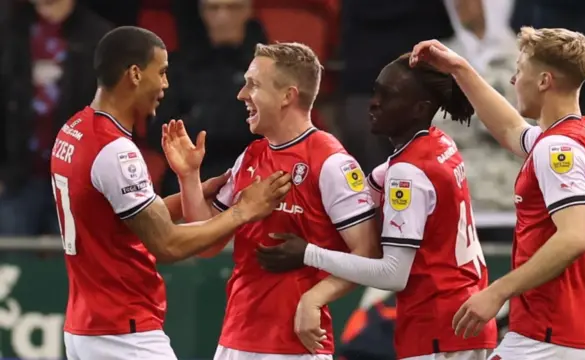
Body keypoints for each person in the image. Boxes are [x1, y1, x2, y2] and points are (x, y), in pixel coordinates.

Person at [50, 26, 291, 360]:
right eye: (161, 73)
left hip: (86, 328)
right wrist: (243, 211)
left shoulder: (75, 128)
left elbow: (116, 220)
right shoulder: (116, 151)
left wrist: (192, 189)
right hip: (124, 331)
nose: (165, 85)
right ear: (135, 74)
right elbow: (166, 243)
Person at [256, 53, 498, 360]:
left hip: (439, 328)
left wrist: (307, 252)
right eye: (376, 92)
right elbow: (369, 190)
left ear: (419, 109)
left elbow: (392, 274)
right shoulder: (438, 144)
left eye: (389, 96)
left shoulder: (406, 173)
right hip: (464, 320)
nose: (374, 103)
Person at [161, 42, 380, 360]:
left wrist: (315, 298)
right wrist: (189, 177)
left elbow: (368, 253)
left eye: (254, 85)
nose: (242, 95)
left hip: (296, 346)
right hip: (237, 338)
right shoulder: (251, 155)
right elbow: (206, 243)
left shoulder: (331, 162)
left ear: (287, 96)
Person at [410, 27, 585, 359]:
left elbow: (573, 238)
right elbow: (510, 129)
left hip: (546, 336)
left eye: (518, 71)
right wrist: (460, 69)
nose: (512, 80)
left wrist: (497, 292)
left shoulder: (556, 149)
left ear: (544, 81)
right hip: (574, 332)